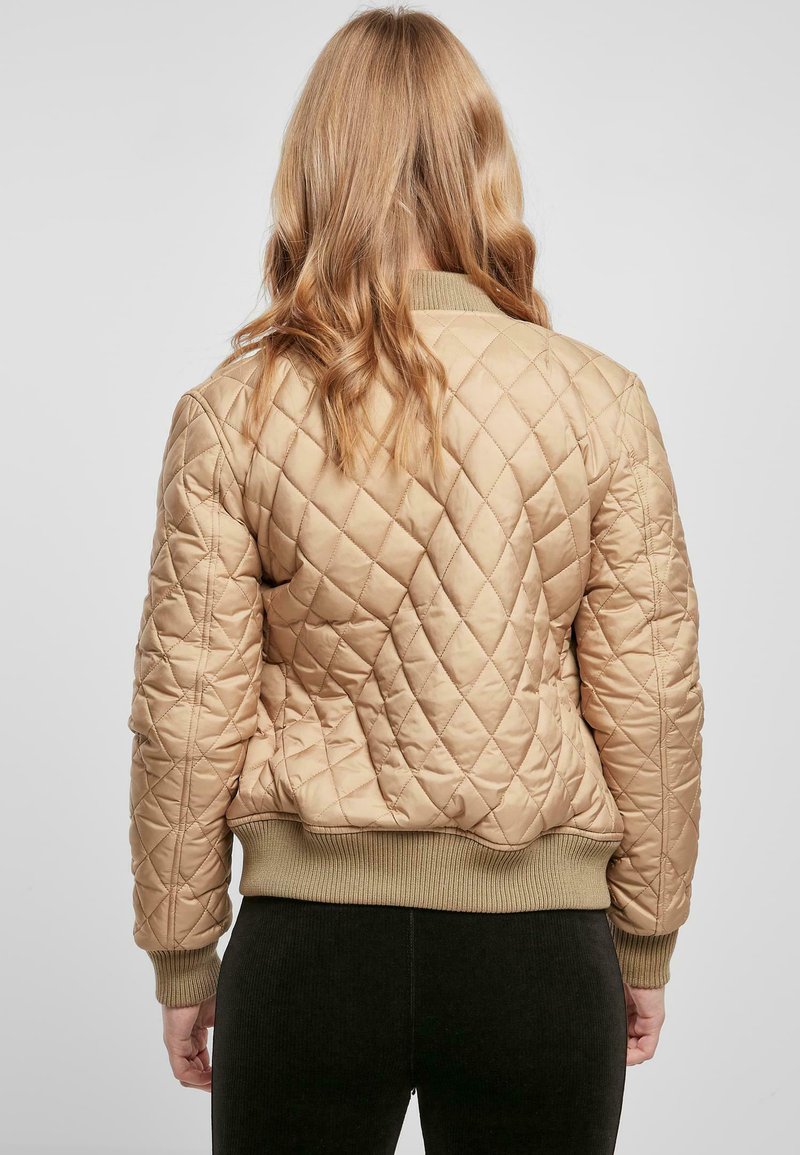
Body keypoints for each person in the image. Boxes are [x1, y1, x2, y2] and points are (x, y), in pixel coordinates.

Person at [127, 7, 704, 1153]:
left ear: (314, 168)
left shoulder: (233, 410)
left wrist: (182, 953)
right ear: (480, 167)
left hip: (307, 952)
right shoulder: (599, 403)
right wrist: (644, 937)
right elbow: (648, 698)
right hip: (536, 953)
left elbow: (187, 712)